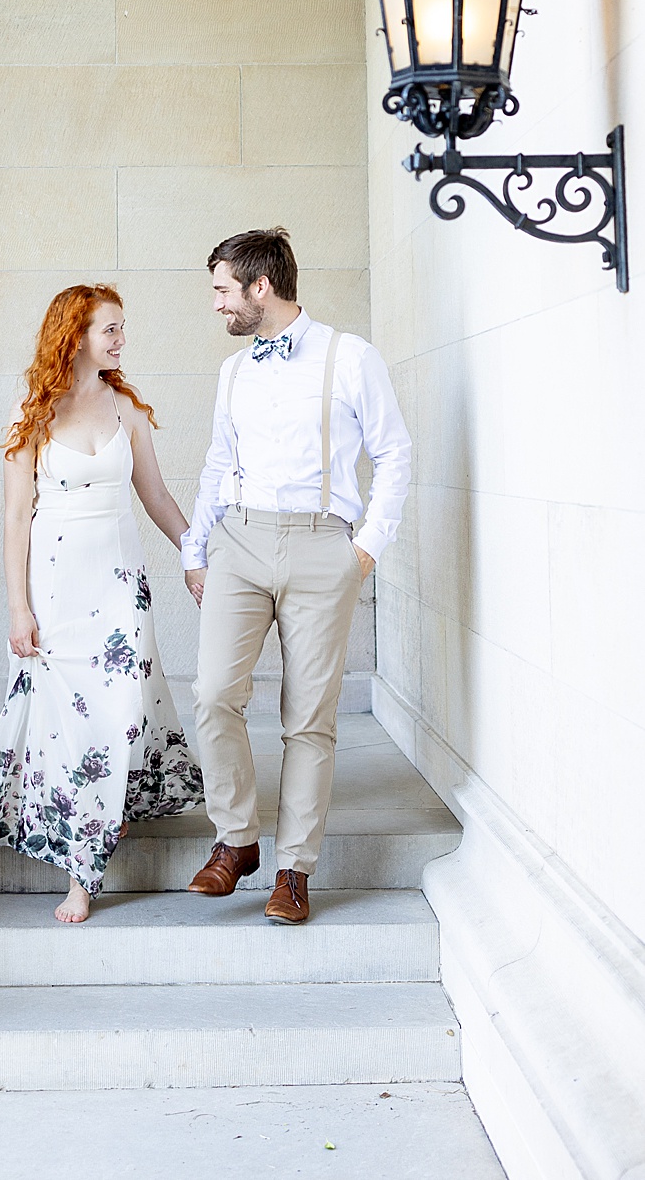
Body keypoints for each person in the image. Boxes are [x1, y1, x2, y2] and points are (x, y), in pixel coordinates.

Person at [0, 285, 205, 923]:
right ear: (76, 336)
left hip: (120, 593)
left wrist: (194, 558)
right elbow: (14, 517)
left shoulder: (129, 412)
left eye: (122, 327)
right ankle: (79, 869)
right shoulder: (32, 412)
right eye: (110, 329)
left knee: (116, 717)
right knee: (69, 728)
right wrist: (18, 609)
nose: (121, 339)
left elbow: (158, 497)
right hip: (55, 594)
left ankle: (90, 859)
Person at [181, 228, 411, 924]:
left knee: (308, 718)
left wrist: (365, 548)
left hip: (322, 547)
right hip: (241, 541)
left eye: (224, 290)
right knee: (214, 693)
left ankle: (294, 870)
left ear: (260, 287)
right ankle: (237, 841)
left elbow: (395, 453)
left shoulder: (351, 357)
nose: (217, 304)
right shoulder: (234, 371)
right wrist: (197, 547)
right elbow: (220, 461)